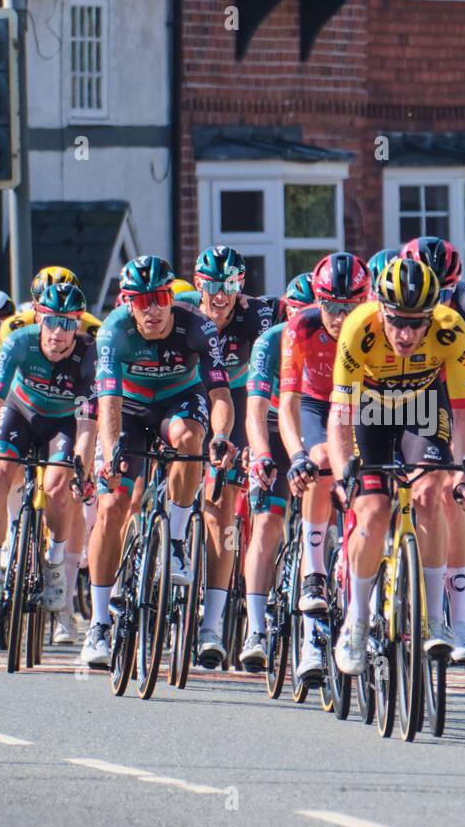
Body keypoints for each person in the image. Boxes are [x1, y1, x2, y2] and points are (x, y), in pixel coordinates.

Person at [81, 256, 235, 666]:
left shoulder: (198, 326)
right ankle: (98, 624)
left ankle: (179, 539)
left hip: (178, 400)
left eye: (161, 297)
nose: (152, 309)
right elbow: (108, 404)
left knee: (190, 438)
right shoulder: (114, 330)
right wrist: (112, 453)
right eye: (142, 300)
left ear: (172, 296)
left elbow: (220, 394)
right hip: (128, 409)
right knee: (112, 503)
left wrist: (220, 437)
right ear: (127, 302)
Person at [328, 257, 465, 675]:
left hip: (424, 408)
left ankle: (434, 620)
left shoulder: (451, 329)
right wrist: (344, 473)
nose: (407, 333)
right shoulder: (358, 329)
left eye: (418, 323)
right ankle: (356, 622)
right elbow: (339, 414)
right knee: (373, 510)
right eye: (397, 322)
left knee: (432, 493)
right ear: (380, 311)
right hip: (370, 411)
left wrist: (464, 468)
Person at [0, 283, 97, 644]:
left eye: (68, 324)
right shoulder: (19, 341)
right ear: (39, 317)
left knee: (60, 487)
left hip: (65, 421)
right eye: (51, 321)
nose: (58, 333)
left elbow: (89, 424)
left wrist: (82, 468)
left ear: (78, 324)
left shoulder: (90, 355)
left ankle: (55, 565)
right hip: (20, 413)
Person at [174, 245, 276, 668]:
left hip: (232, 399)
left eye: (230, 285)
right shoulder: (182, 313)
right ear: (198, 284)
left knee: (221, 513)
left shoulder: (256, 315)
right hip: (182, 393)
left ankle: (211, 627)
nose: (221, 294)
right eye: (213, 285)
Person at [401, 236, 465, 663]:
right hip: (393, 394)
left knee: (448, 495)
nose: (432, 302)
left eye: (442, 292)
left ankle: (458, 622)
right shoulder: (390, 288)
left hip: (443, 397)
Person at [279, 252, 370, 682]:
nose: (340, 316)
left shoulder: (376, 324)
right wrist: (296, 453)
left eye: (350, 307)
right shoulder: (302, 326)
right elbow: (288, 403)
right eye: (331, 306)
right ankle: (314, 572)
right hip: (317, 404)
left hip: (365, 407)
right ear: (318, 302)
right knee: (319, 463)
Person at [239, 275, 317, 669]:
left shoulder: (334, 339)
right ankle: (255, 626)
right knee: (268, 522)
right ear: (287, 311)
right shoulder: (270, 342)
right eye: (298, 311)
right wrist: (261, 456)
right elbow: (253, 413)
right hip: (274, 424)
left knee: (327, 520)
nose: (308, 319)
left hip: (318, 428)